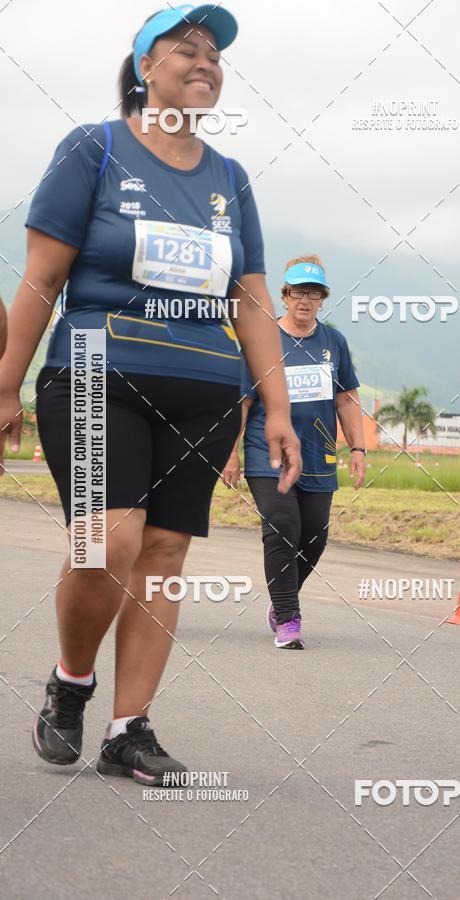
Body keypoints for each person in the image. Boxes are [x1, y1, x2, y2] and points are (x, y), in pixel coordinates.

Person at [0, 4, 301, 784]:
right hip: (99, 373)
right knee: (109, 543)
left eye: (215, 56)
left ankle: (128, 730)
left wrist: (274, 408)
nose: (206, 62)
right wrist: (5, 382)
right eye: (187, 50)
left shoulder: (230, 179)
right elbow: (41, 278)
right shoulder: (93, 149)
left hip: (204, 389)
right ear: (144, 68)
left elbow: (253, 298)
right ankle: (72, 682)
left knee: (163, 556)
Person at [222, 255, 366, 648]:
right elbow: (243, 403)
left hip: (319, 456)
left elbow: (347, 399)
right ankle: (288, 617)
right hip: (266, 453)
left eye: (314, 294)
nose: (306, 300)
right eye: (299, 292)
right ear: (285, 296)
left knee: (314, 536)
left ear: (323, 299)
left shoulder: (334, 342)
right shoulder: (261, 340)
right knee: (282, 527)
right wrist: (230, 453)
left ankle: (280, 598)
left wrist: (358, 448)